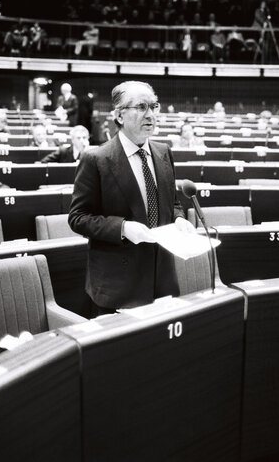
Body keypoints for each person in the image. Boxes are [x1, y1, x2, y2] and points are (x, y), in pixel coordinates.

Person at [68, 80, 195, 317]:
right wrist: (123, 228)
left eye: (154, 106)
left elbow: (172, 202)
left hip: (162, 280)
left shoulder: (164, 152)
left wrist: (178, 219)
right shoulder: (96, 159)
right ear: (119, 115)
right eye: (141, 107)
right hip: (119, 285)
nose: (151, 115)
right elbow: (78, 217)